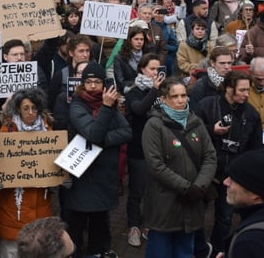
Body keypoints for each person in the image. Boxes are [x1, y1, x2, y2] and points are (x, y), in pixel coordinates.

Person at [142, 77, 217, 258]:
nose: (181, 100)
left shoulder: (195, 122)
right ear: (164, 99)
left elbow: (210, 156)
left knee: (185, 252)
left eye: (183, 95)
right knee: (160, 252)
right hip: (164, 203)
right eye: (175, 96)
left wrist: (199, 186)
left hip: (192, 203)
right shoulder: (154, 125)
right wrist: (186, 188)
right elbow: (156, 165)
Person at [66, 62, 132, 257]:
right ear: (82, 83)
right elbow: (93, 133)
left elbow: (127, 132)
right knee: (77, 225)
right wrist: (105, 107)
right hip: (83, 176)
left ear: (104, 84)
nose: (93, 86)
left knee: (99, 225)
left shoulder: (110, 105)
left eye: (97, 82)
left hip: (104, 177)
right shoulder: (77, 105)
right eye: (89, 81)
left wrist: (102, 140)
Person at [194, 71, 264, 256]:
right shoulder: (207, 105)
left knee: (225, 218)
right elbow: (190, 132)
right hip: (205, 171)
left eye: (248, 90)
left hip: (233, 176)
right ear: (229, 88)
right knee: (196, 215)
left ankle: (218, 250)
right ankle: (198, 250)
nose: (246, 94)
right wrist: (211, 130)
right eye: (242, 90)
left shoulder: (251, 114)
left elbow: (256, 147)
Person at [0, 88, 55, 257]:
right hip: (12, 209)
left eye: (34, 108)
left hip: (41, 207)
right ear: (18, 109)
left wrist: (63, 177)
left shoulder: (48, 132)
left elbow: (55, 163)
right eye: (26, 108)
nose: (31, 113)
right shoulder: (7, 131)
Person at [123, 54, 165, 248]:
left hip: (159, 147)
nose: (156, 72)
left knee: (154, 190)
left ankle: (149, 223)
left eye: (158, 69)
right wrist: (155, 91)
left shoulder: (164, 89)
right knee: (137, 190)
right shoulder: (133, 90)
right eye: (152, 69)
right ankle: (133, 226)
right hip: (138, 148)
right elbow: (139, 109)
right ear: (142, 69)